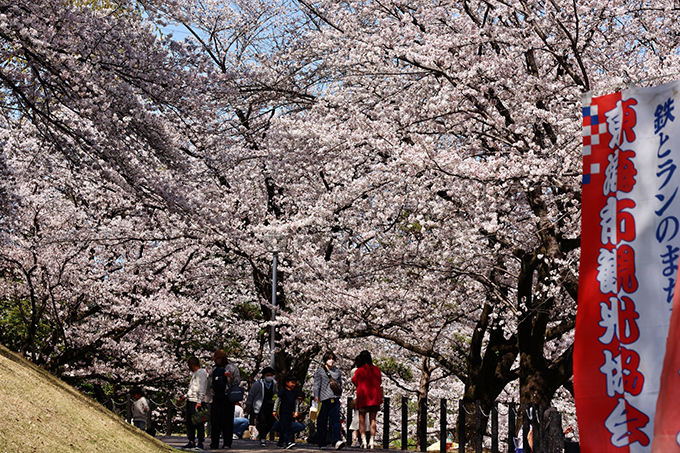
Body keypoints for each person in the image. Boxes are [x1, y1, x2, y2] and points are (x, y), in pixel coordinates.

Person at [313, 351, 345, 450]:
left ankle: (337, 440)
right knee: (322, 421)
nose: (331, 361)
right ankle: (322, 442)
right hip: (323, 399)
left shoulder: (337, 371)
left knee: (336, 421)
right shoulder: (320, 370)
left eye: (332, 359)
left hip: (334, 398)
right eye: (328, 359)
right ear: (325, 360)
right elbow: (317, 384)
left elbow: (340, 384)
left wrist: (339, 394)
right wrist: (316, 396)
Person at [210, 349, 241, 450]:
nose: (216, 361)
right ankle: (214, 442)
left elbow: (237, 382)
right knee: (215, 421)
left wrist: (231, 378)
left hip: (227, 398)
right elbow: (209, 380)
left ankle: (227, 443)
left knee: (227, 421)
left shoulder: (232, 368)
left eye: (217, 359)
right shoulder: (214, 369)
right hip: (216, 397)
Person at [351, 351, 382, 449]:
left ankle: (364, 441)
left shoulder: (359, 371)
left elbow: (354, 381)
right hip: (374, 397)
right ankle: (372, 441)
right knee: (373, 420)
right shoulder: (376, 369)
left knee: (362, 420)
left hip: (363, 397)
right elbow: (380, 381)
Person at [179, 356, 208, 450]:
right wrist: (185, 396)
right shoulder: (195, 373)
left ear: (192, 364)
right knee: (190, 422)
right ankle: (191, 440)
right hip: (191, 399)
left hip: (196, 401)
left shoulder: (201, 373)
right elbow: (193, 388)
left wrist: (199, 401)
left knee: (198, 422)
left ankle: (200, 441)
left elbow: (201, 387)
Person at [245, 366, 278, 447]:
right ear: (263, 375)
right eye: (268, 375)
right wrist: (248, 405)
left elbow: (276, 393)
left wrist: (274, 400)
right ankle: (262, 438)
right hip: (260, 406)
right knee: (262, 421)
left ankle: (262, 434)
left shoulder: (274, 383)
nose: (269, 377)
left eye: (271, 375)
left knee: (271, 422)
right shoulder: (258, 384)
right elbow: (251, 395)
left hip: (270, 405)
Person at [274, 375, 300, 449]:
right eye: (292, 382)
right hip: (283, 412)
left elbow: (296, 402)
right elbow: (277, 400)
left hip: (290, 412)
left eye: (295, 383)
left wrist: (296, 411)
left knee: (286, 427)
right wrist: (274, 410)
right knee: (285, 427)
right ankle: (288, 442)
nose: (293, 384)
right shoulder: (283, 391)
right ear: (287, 383)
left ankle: (280, 443)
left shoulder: (295, 392)